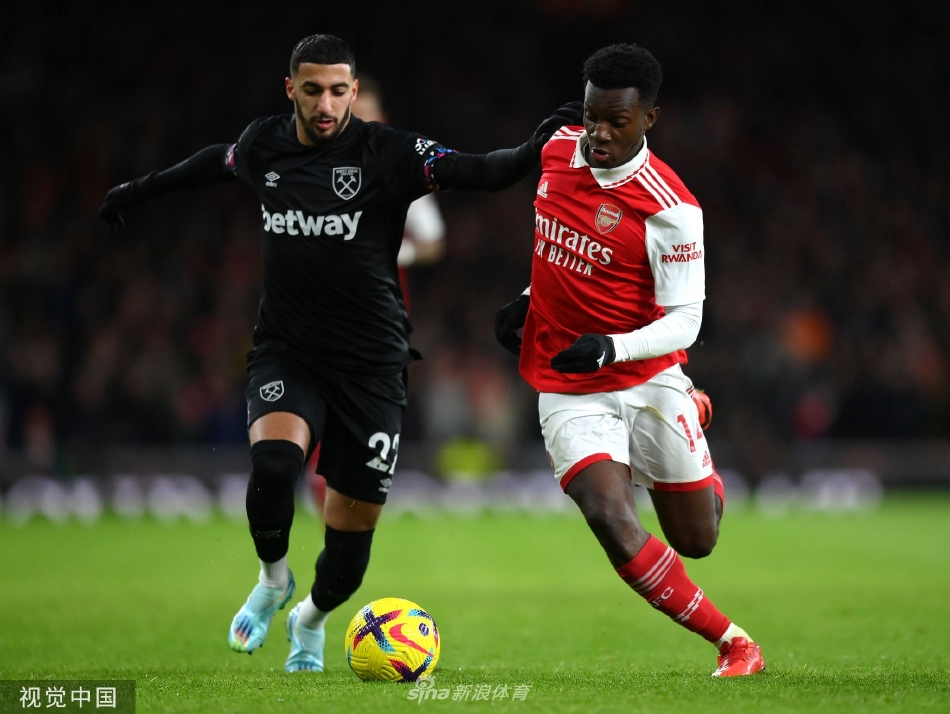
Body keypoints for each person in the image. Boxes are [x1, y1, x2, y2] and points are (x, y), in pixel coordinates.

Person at [98, 33, 580, 673]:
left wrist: (532, 149)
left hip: (372, 367)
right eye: (312, 90)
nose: (324, 105)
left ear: (353, 91)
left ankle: (311, 618)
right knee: (275, 467)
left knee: (347, 556)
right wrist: (139, 189)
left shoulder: (389, 152)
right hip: (288, 352)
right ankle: (273, 578)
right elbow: (216, 161)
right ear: (291, 89)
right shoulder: (265, 143)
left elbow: (481, 171)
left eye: (336, 91)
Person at [493, 43, 765, 677]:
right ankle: (734, 643)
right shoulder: (556, 152)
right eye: (592, 116)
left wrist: (612, 346)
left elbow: (686, 321)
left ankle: (692, 412)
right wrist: (528, 298)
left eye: (617, 121)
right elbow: (566, 248)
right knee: (609, 517)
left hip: (646, 376)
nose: (599, 133)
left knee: (697, 539)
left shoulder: (672, 208)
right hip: (568, 380)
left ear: (649, 118)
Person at [308, 74, 447, 511]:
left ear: (382, 119)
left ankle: (349, 500)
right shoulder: (313, 170)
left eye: (367, 115)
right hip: (325, 313)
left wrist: (390, 251)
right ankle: (329, 500)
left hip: (381, 319)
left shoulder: (401, 172)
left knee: (367, 414)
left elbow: (434, 241)